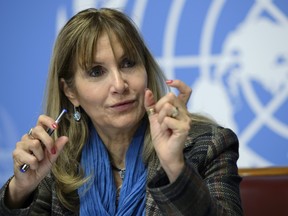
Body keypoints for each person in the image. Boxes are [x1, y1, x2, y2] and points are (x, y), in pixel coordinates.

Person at [0, 7, 243, 216]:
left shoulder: (208, 144)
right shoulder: (55, 159)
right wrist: (20, 191)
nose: (119, 85)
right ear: (70, 92)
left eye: (128, 64)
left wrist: (175, 167)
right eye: (96, 71)